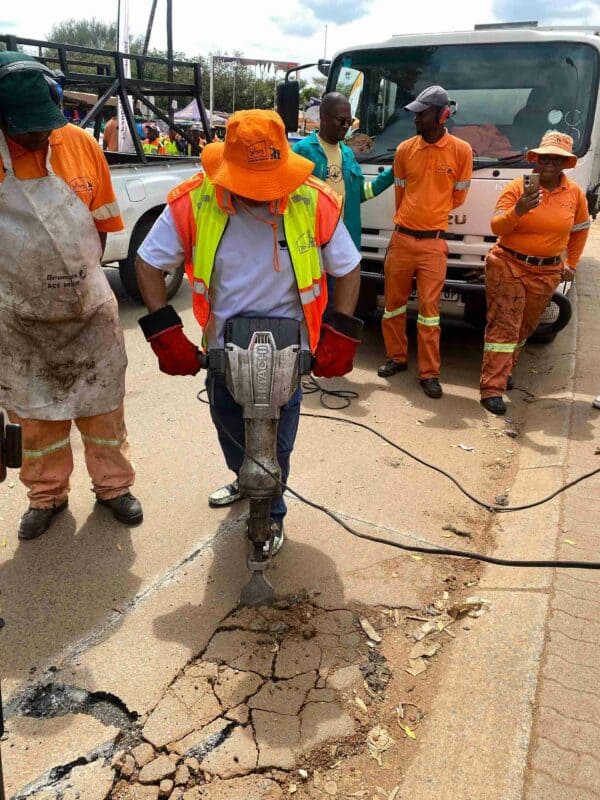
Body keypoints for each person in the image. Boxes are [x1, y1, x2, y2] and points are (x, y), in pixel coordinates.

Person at [135, 109, 362, 544]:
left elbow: (349, 269)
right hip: (224, 349)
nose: (261, 194)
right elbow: (147, 264)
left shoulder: (312, 200)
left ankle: (272, 515)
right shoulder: (195, 200)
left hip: (289, 354)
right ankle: (243, 478)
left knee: (279, 446)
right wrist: (164, 332)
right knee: (230, 432)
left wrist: (340, 332)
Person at [0, 51, 142, 539]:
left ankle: (114, 488)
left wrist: (74, 283)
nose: (39, 137)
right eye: (26, 130)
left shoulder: (81, 145)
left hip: (88, 312)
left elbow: (99, 228)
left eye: (46, 125)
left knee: (104, 410)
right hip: (18, 319)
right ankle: (46, 496)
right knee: (35, 421)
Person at [480, 131, 590, 415]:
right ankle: (492, 388)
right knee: (505, 325)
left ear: (565, 163)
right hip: (508, 264)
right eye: (545, 158)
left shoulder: (575, 194)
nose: (549, 163)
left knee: (525, 327)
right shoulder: (518, 187)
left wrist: (572, 263)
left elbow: (580, 230)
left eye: (556, 159)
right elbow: (497, 227)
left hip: (547, 271)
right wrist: (518, 210)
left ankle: (505, 369)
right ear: (536, 160)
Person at [377, 85, 472, 399]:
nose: (415, 118)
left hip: (433, 244)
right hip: (402, 239)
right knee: (393, 306)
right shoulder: (405, 150)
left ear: (442, 115)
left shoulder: (461, 151)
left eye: (422, 113)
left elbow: (458, 197)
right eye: (415, 113)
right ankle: (396, 357)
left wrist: (431, 213)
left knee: (430, 312)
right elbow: (400, 193)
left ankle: (429, 373)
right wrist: (410, 220)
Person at [292, 93, 393, 256]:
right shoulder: (303, 151)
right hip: (313, 244)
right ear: (323, 118)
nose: (347, 126)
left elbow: (361, 193)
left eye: (349, 121)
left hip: (345, 243)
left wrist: (392, 174)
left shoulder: (347, 154)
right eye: (341, 120)